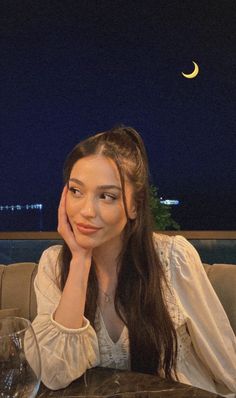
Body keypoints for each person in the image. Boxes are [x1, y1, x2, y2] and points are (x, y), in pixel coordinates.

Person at [32, 126, 236, 396]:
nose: (86, 211)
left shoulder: (173, 258)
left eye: (107, 196)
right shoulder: (53, 264)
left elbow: (223, 359)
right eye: (76, 191)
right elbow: (54, 374)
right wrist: (80, 260)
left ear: (134, 206)